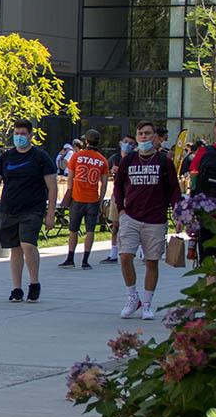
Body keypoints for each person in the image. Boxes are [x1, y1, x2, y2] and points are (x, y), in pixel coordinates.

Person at [0, 119, 58, 303]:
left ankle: (34, 283)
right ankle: (16, 288)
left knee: (27, 244)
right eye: (17, 134)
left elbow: (52, 186)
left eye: (23, 134)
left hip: (33, 209)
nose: (19, 137)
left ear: (31, 135)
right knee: (15, 248)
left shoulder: (40, 157)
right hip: (10, 209)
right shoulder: (6, 158)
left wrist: (50, 213)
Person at [114, 121, 182, 321]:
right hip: (131, 217)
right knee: (125, 256)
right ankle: (132, 297)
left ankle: (146, 303)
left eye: (147, 133)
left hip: (155, 218)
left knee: (151, 261)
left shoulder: (164, 161)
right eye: (140, 133)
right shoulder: (129, 160)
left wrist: (178, 214)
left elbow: (174, 190)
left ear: (154, 137)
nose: (144, 137)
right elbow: (118, 186)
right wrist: (121, 210)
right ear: (136, 137)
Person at [59, 129, 109, 270]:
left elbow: (70, 177)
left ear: (86, 141)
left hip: (77, 197)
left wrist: (70, 190)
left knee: (73, 230)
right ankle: (85, 261)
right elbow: (104, 184)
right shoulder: (102, 160)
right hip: (92, 199)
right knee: (90, 230)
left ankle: (70, 258)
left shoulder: (77, 156)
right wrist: (100, 199)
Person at [189, 117, 216, 273]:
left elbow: (194, 182)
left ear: (215, 130)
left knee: (209, 260)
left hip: (210, 213)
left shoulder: (204, 152)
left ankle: (210, 292)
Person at [100, 136, 138, 265]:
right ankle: (113, 253)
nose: (127, 145)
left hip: (133, 195)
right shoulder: (115, 158)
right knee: (115, 224)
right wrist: (112, 171)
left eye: (131, 143)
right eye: (125, 142)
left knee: (136, 225)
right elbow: (107, 172)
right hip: (118, 195)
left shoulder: (136, 158)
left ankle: (140, 250)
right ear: (120, 143)